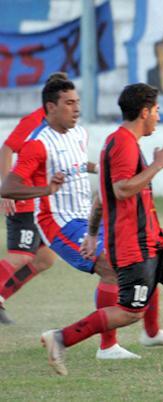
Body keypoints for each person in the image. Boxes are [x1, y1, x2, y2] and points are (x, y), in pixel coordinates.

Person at [38, 83, 163, 376]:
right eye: (156, 110)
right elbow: (121, 189)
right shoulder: (123, 144)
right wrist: (157, 165)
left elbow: (101, 196)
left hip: (154, 237)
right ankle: (61, 338)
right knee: (131, 311)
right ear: (144, 112)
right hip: (133, 243)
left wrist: (91, 234)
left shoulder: (123, 142)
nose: (158, 116)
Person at [1, 79, 163, 362]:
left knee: (145, 254)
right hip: (59, 223)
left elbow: (76, 165)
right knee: (110, 268)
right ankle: (107, 346)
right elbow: (9, 186)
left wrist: (100, 167)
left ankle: (151, 331)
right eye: (69, 103)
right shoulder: (37, 144)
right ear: (51, 107)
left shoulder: (79, 134)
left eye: (77, 102)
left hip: (87, 217)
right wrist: (46, 190)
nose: (76, 109)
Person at [0, 72, 66, 325]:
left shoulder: (61, 127)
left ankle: (1, 297)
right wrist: (6, 189)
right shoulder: (33, 121)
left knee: (45, 258)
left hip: (43, 205)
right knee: (21, 256)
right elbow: (6, 149)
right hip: (24, 200)